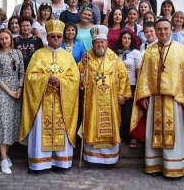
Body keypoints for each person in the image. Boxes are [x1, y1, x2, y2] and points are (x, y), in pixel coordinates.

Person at [130, 18, 184, 178]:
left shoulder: (181, 50)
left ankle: (174, 167)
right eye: (159, 29)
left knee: (176, 133)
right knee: (153, 131)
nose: (162, 32)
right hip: (154, 99)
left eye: (166, 29)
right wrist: (144, 96)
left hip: (175, 100)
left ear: (171, 29)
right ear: (155, 30)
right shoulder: (150, 51)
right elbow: (144, 76)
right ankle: (154, 166)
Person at [20, 20, 80, 173]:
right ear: (48, 36)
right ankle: (40, 163)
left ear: (62, 37)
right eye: (52, 36)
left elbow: (75, 79)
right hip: (42, 101)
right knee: (41, 129)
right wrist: (46, 79)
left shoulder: (68, 57)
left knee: (62, 129)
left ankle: (61, 163)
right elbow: (30, 77)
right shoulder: (38, 55)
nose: (55, 39)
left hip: (61, 101)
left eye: (58, 36)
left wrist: (61, 82)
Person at [78, 25, 131, 164]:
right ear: (93, 43)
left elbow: (123, 77)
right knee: (92, 125)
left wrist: (122, 94)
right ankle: (92, 156)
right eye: (96, 42)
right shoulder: (87, 57)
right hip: (92, 101)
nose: (99, 45)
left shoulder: (114, 58)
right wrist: (83, 67)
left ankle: (109, 158)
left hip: (111, 101)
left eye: (102, 41)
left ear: (106, 42)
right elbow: (79, 79)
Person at [0, 28, 24, 175]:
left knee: (12, 124)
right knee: (3, 123)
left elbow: (22, 72)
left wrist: (20, 88)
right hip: (3, 91)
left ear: (11, 38)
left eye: (7, 38)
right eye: (1, 38)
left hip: (17, 90)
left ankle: (5, 155)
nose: (4, 41)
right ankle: (3, 159)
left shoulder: (18, 53)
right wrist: (9, 91)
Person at [117, 30, 142, 147]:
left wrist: (138, 87)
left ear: (131, 41)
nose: (126, 40)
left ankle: (132, 137)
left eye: (128, 38)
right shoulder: (117, 53)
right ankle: (121, 136)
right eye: (124, 38)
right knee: (120, 113)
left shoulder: (136, 53)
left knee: (130, 112)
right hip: (119, 86)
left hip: (131, 85)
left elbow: (138, 71)